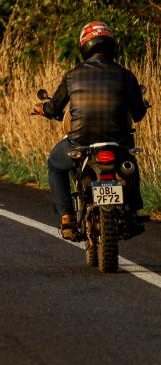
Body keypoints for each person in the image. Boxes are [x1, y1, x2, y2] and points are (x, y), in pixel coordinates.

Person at [33, 21, 148, 240]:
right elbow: (139, 114)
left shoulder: (73, 75)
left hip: (80, 142)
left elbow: (54, 108)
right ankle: (133, 209)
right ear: (111, 45)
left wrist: (42, 108)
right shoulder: (126, 76)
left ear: (85, 46)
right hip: (118, 142)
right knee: (130, 163)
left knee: (55, 165)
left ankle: (67, 217)